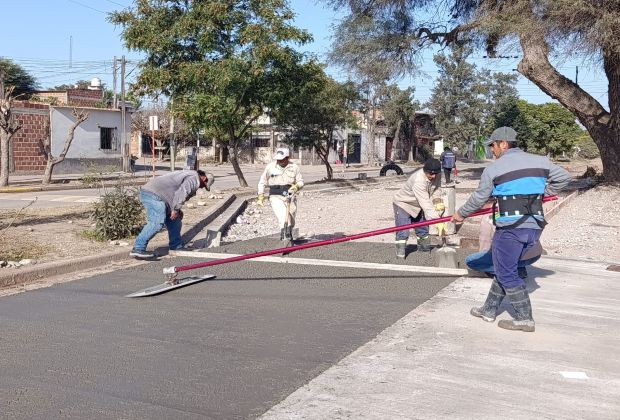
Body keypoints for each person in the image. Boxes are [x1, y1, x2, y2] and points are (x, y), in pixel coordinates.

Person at [452, 127, 571, 332]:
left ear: (504, 144)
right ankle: (489, 309)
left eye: (493, 145)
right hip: (534, 227)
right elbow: (564, 177)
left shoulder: (494, 169)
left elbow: (479, 198)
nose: (492, 150)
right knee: (505, 267)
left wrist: (461, 214)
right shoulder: (541, 161)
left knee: (507, 273)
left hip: (511, 229)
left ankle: (525, 318)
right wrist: (542, 194)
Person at [130, 170, 214, 259]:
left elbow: (176, 193)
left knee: (175, 221)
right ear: (204, 178)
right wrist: (176, 209)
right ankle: (138, 248)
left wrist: (177, 210)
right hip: (153, 194)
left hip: (160, 196)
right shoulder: (194, 178)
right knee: (156, 222)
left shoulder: (190, 175)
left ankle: (176, 246)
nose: (201, 187)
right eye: (204, 185)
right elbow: (182, 192)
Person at [465, 200, 542, 279]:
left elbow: (485, 247)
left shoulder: (490, 217)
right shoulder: (518, 206)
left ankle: (510, 272)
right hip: (534, 255)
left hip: (512, 256)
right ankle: (519, 268)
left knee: (471, 261)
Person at [392, 158, 446, 258]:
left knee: (423, 230)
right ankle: (400, 256)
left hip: (418, 204)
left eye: (435, 173)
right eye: (431, 174)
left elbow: (437, 189)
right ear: (425, 171)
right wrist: (438, 220)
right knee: (403, 231)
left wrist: (437, 202)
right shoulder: (418, 180)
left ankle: (424, 254)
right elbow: (425, 203)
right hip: (404, 203)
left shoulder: (437, 175)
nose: (433, 176)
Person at [257, 148, 304, 243]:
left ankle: (289, 234)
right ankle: (284, 238)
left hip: (290, 195)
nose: (279, 161)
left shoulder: (294, 167)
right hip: (275, 195)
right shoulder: (270, 167)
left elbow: (301, 182)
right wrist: (260, 195)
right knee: (283, 216)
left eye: (282, 159)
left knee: (291, 219)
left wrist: (296, 186)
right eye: (278, 159)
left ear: (287, 158)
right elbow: (262, 181)